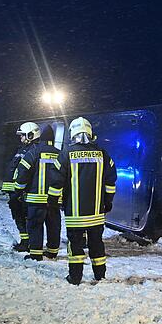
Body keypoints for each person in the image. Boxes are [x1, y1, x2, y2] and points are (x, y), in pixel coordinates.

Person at [51, 117, 117, 285]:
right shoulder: (102, 153)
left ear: (72, 133)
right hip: (96, 213)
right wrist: (108, 201)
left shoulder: (66, 153)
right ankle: (100, 275)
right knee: (97, 244)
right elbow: (110, 180)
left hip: (75, 214)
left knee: (76, 246)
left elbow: (56, 182)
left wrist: (53, 201)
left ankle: (75, 277)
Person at [14, 124, 63, 261]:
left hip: (35, 200)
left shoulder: (34, 152)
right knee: (54, 225)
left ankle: (36, 254)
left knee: (35, 226)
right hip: (54, 199)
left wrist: (18, 189)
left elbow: (23, 172)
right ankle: (53, 251)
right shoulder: (60, 153)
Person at [2, 122, 39, 252]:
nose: (21, 138)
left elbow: (26, 173)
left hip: (21, 192)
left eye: (23, 135)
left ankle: (26, 242)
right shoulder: (24, 149)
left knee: (24, 217)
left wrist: (19, 190)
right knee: (18, 216)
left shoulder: (33, 151)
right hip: (15, 191)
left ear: (31, 135)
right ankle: (25, 240)